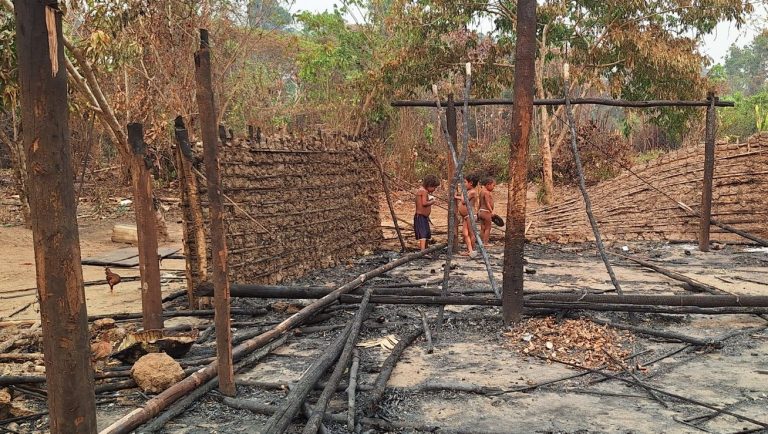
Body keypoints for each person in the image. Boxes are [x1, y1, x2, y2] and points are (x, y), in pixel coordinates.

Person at [454, 174, 479, 257]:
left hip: (470, 215)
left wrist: (461, 192)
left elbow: (464, 201)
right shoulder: (467, 192)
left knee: (471, 233)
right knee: (465, 233)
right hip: (465, 216)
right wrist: (457, 196)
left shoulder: (472, 192)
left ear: (471, 183)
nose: (463, 184)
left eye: (465, 182)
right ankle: (469, 250)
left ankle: (472, 249)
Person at [414, 174, 440, 250]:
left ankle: (425, 248)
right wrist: (432, 202)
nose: (434, 189)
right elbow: (424, 203)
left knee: (426, 233)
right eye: (434, 187)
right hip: (420, 216)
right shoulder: (423, 191)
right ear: (429, 185)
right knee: (423, 234)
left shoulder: (423, 191)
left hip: (423, 217)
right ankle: (423, 250)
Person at [477, 176, 496, 246]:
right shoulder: (486, 192)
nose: (494, 187)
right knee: (488, 228)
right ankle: (485, 243)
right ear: (488, 184)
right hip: (486, 212)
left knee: (482, 228)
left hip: (481, 211)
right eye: (493, 185)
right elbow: (487, 203)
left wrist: (478, 211)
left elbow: (480, 203)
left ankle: (481, 242)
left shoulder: (481, 192)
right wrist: (491, 211)